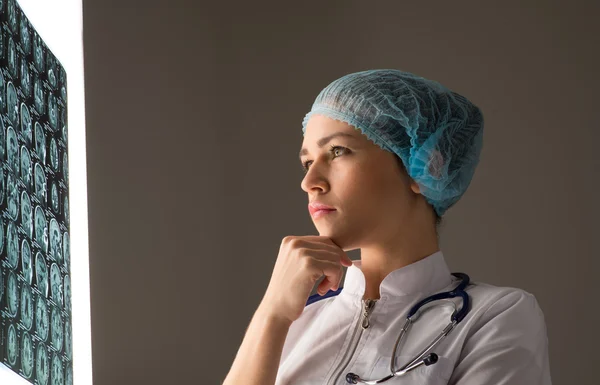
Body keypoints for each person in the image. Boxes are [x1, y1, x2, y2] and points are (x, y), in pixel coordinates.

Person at [222, 69, 552, 385]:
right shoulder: (297, 324)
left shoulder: (494, 318)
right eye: (307, 162)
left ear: (425, 166)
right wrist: (272, 313)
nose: (309, 182)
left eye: (338, 151)